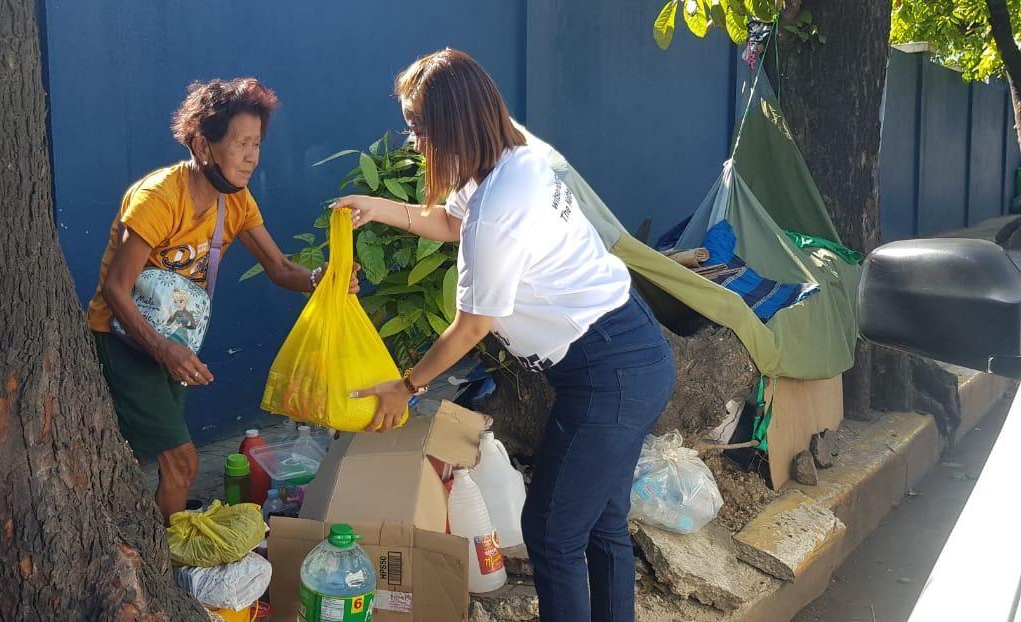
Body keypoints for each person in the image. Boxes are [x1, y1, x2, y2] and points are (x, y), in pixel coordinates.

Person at [342, 50, 676, 622]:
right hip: (627, 350)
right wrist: (383, 208)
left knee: (550, 532)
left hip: (609, 369)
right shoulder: (509, 154)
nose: (414, 144)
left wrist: (408, 385)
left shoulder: (500, 204)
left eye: (420, 130)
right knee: (599, 523)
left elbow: (474, 324)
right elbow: (451, 221)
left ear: (456, 124)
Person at [87, 77, 357, 521]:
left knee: (144, 456)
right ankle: (168, 564)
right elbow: (116, 289)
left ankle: (145, 554)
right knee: (183, 462)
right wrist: (162, 348)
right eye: (240, 143)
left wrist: (322, 279)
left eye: (257, 143)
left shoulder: (237, 201)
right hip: (124, 341)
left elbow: (280, 268)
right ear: (202, 143)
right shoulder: (159, 197)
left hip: (170, 344)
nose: (252, 156)